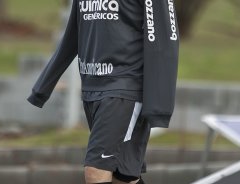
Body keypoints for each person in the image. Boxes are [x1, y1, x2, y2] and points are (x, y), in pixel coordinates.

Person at [27, 0, 179, 183]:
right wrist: (43, 87)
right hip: (91, 88)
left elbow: (164, 37)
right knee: (124, 176)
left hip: (124, 89)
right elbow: (72, 34)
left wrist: (159, 105)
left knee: (95, 170)